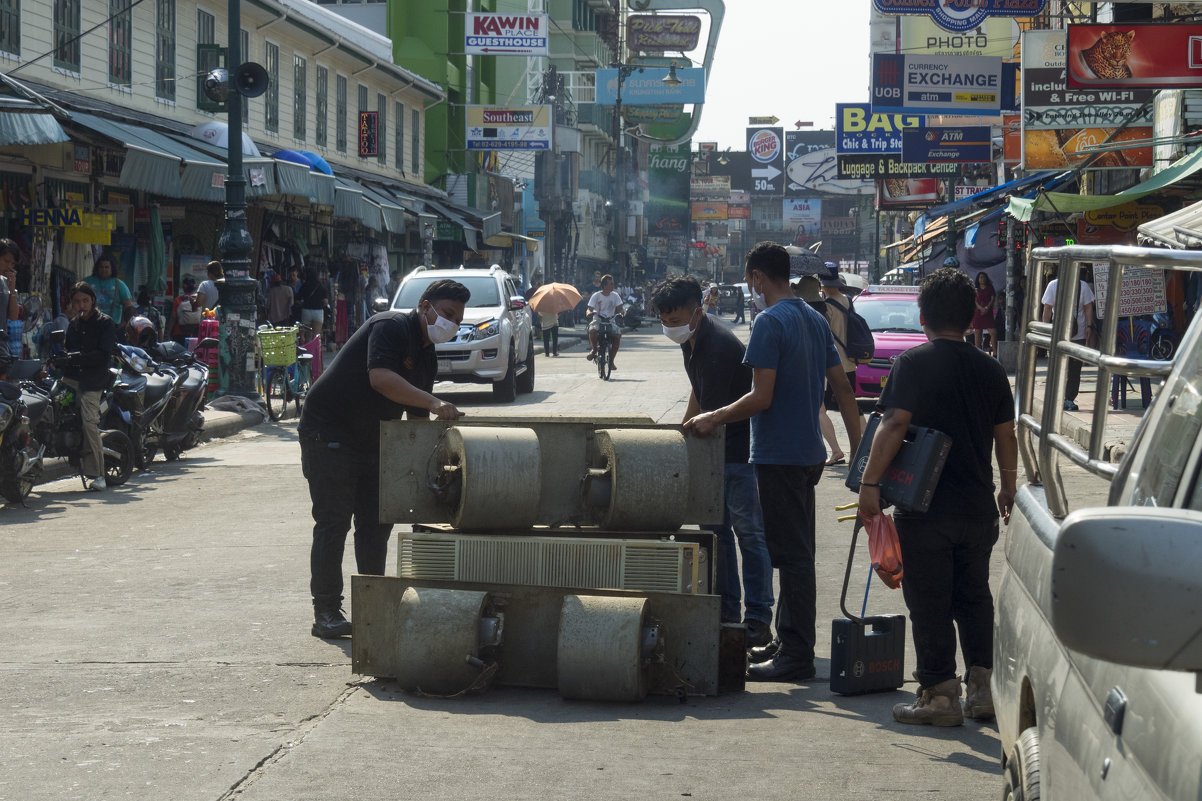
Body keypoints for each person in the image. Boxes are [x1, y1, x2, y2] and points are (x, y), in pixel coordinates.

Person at [685, 242, 862, 682]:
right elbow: (842, 389)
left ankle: (796, 655)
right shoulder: (812, 318)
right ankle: (790, 641)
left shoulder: (769, 322)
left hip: (779, 455)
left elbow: (760, 397)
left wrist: (714, 416)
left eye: (750, 282)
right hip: (808, 456)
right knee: (796, 552)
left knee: (793, 558)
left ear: (758, 278)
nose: (751, 290)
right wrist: (857, 453)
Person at [856, 267, 1018, 727]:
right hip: (977, 508)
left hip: (925, 511)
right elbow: (1006, 436)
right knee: (973, 598)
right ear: (970, 317)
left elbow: (892, 424)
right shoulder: (990, 369)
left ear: (922, 315)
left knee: (929, 601)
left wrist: (869, 486)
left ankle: (940, 696)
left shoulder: (913, 363)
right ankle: (983, 690)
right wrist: (1008, 486)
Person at [298, 278, 470, 639]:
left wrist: (429, 469)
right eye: (448, 314)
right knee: (334, 523)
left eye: (458, 318)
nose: (452, 324)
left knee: (377, 524)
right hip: (330, 432)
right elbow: (381, 379)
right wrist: (435, 402)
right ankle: (326, 612)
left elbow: (418, 420)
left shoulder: (426, 355)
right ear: (425, 306)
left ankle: (372, 603)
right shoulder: (390, 326)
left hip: (375, 439)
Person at [652, 275, 775, 647]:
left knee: (749, 536)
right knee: (716, 537)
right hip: (715, 455)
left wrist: (695, 432)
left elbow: (713, 411)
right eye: (665, 321)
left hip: (738, 454)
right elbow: (698, 391)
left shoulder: (718, 346)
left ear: (697, 311)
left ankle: (756, 619)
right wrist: (681, 430)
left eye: (676, 320)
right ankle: (725, 613)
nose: (670, 327)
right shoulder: (692, 340)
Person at [60, 282, 118, 492]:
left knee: (89, 424)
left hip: (93, 382)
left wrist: (79, 358)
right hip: (72, 379)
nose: (81, 305)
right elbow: (68, 352)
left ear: (92, 300)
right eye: (77, 302)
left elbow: (103, 354)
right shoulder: (73, 325)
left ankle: (99, 475)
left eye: (85, 300)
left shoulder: (105, 323)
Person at [818, 263, 864, 466]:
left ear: (823, 284)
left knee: (819, 409)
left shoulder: (825, 306)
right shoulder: (847, 301)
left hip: (831, 365)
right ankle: (862, 446)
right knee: (853, 406)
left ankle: (836, 450)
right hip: (849, 362)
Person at [1041, 272, 1097, 411]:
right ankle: (1060, 398)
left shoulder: (1082, 286)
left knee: (1073, 368)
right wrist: (1046, 330)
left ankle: (1068, 398)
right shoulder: (1054, 285)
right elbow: (1047, 308)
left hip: (1077, 333)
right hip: (1061, 333)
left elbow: (1088, 307)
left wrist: (1089, 326)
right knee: (1064, 367)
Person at [585, 274, 624, 368]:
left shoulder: (615, 295)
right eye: (611, 284)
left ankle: (611, 361)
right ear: (604, 285)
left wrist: (621, 314)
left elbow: (620, 309)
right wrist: (589, 313)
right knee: (592, 330)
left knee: (618, 335)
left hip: (611, 321)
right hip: (598, 320)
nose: (613, 286)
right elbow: (589, 309)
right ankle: (594, 350)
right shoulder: (596, 295)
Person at [84, 253, 134, 325]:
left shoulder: (120, 285)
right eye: (101, 267)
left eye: (106, 267)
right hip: (89, 324)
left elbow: (128, 306)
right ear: (97, 268)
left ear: (112, 269)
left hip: (113, 326)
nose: (104, 269)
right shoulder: (87, 282)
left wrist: (122, 324)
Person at [0, 239, 18, 372]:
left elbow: (13, 316)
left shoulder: (5, 284)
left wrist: (12, 290)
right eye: (6, 261)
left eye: (12, 263)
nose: (9, 266)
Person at [168, 275, 200, 344]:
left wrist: (168, 333)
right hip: (193, 333)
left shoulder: (178, 300)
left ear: (184, 286)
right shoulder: (197, 300)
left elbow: (173, 317)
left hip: (178, 333)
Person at [972, 272, 998, 356]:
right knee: (978, 333)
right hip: (978, 313)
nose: (982, 279)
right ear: (978, 279)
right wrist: (981, 308)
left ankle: (995, 352)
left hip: (988, 313)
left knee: (993, 332)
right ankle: (977, 353)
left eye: (983, 277)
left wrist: (987, 308)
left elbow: (992, 298)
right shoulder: (976, 289)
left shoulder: (990, 288)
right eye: (980, 277)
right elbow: (975, 301)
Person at [296, 268, 329, 332]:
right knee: (316, 335)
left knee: (308, 336)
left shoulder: (304, 286)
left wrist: (303, 303)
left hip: (306, 311)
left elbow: (298, 300)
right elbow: (325, 302)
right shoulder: (321, 287)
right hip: (318, 311)